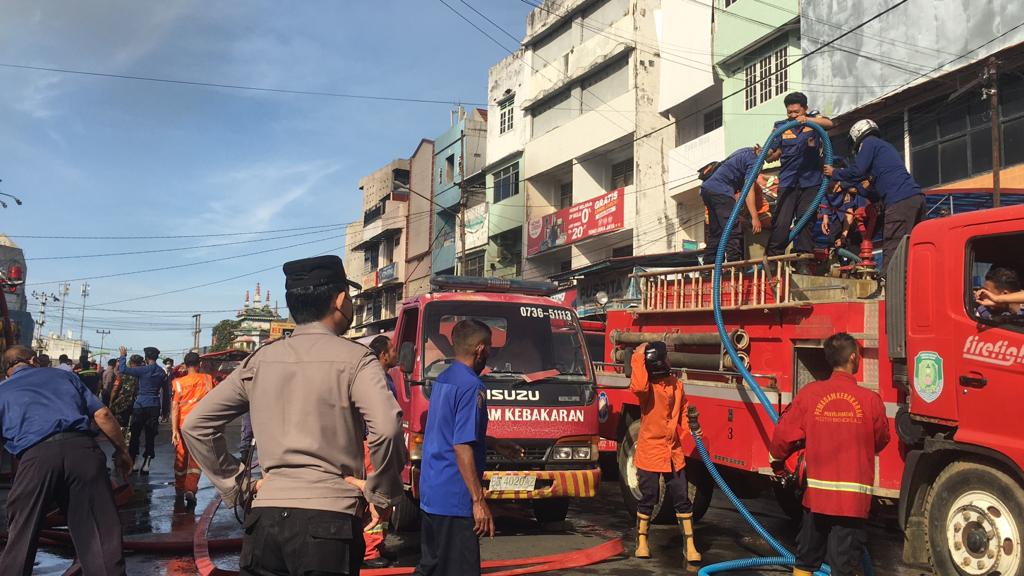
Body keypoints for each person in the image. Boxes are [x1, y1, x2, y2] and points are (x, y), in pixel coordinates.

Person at [183, 255, 405, 576]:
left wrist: (239, 484)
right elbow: (386, 428)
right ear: (340, 299)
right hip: (330, 521)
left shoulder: (261, 360)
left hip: (265, 521)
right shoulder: (357, 359)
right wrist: (381, 495)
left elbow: (196, 425)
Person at [0, 345, 133, 575]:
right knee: (99, 536)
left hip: (35, 459)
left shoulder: (2, 391)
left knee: (21, 535)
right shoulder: (64, 376)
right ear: (33, 361)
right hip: (82, 452)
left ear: (6, 372)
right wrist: (123, 451)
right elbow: (102, 414)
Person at [769, 333, 889, 576]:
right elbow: (880, 441)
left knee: (805, 562)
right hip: (851, 504)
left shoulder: (811, 394)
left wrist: (777, 463)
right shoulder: (870, 401)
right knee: (843, 567)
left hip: (816, 501)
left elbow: (782, 435)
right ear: (854, 358)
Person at [414, 319, 524, 576]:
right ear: (480, 349)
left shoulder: (444, 378)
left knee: (432, 567)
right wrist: (478, 501)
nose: (490, 354)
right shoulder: (471, 386)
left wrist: (494, 443)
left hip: (433, 493)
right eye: (489, 348)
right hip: (454, 497)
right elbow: (461, 446)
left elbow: (447, 430)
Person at [824, 119, 925, 287]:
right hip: (916, 199)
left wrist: (836, 173)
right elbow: (871, 192)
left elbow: (857, 171)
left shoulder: (869, 143)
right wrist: (850, 186)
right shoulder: (884, 150)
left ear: (857, 137)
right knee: (914, 247)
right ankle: (914, 285)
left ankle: (889, 287)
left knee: (894, 246)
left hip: (899, 202)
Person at [629, 342, 701, 567]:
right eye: (666, 358)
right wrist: (638, 355)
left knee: (682, 498)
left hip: (673, 452)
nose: (670, 361)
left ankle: (689, 545)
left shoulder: (676, 385)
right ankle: (642, 542)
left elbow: (682, 412)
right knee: (649, 497)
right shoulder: (647, 389)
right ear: (658, 362)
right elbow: (638, 386)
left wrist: (692, 427)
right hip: (651, 451)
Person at [765, 92, 834, 272]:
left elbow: (829, 123)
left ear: (804, 109)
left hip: (811, 182)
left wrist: (809, 120)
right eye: (790, 112)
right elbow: (772, 154)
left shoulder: (814, 122)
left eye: (796, 112)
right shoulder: (781, 127)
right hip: (788, 182)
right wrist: (763, 153)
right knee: (781, 221)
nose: (793, 116)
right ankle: (772, 259)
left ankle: (802, 260)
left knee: (805, 219)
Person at [362, 335, 400, 568]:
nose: (397, 353)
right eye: (393, 350)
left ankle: (379, 545)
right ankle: (369, 552)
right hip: (375, 447)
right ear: (383, 354)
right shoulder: (375, 379)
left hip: (384, 446)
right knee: (375, 499)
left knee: (385, 500)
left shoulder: (386, 378)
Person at [700, 145, 765, 264]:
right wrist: (755, 217)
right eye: (778, 154)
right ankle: (733, 265)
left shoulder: (745, 152)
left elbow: (741, 193)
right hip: (721, 191)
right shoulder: (755, 161)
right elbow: (748, 187)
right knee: (733, 229)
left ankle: (708, 267)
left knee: (717, 231)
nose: (777, 159)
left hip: (707, 189)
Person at [169, 351, 215, 509]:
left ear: (185, 365)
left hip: (182, 424)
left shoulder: (177, 383)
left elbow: (175, 407)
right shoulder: (208, 379)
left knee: (181, 457)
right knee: (196, 459)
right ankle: (190, 489)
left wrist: (174, 429)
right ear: (199, 364)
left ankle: (180, 488)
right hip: (200, 425)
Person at [117, 345, 170, 475]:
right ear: (156, 357)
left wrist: (123, 355)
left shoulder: (142, 370)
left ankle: (134, 463)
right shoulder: (162, 373)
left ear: (146, 358)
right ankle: (146, 464)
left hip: (140, 405)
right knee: (150, 435)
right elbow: (166, 393)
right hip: (154, 405)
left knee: (135, 434)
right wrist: (165, 412)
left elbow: (123, 369)